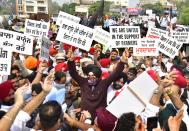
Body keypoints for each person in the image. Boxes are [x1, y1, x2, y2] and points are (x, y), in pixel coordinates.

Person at [67, 48, 128, 120]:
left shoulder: (103, 83)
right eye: (89, 76)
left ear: (98, 77)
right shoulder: (83, 82)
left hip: (99, 119)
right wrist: (71, 61)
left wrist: (122, 62)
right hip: (83, 117)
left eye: (93, 77)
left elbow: (115, 74)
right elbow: (73, 73)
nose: (91, 78)